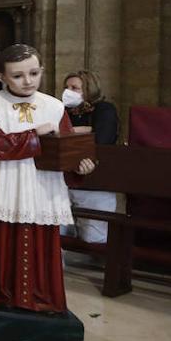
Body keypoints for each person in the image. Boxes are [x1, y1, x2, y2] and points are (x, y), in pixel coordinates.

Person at [0, 45, 96, 311]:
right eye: (17, 76)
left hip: (42, 189)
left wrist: (78, 167)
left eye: (33, 73)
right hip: (6, 186)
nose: (28, 81)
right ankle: (1, 295)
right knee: (4, 244)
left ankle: (41, 298)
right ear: (0, 77)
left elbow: (65, 150)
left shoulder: (54, 106)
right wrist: (33, 134)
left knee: (42, 247)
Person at [61, 70, 119, 244]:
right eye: (66, 87)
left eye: (74, 88)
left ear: (89, 90)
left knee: (93, 239)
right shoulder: (64, 111)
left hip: (96, 181)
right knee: (59, 234)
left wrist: (70, 131)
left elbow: (102, 137)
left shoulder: (104, 109)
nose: (68, 92)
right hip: (65, 179)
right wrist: (87, 130)